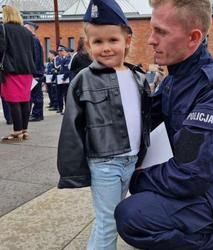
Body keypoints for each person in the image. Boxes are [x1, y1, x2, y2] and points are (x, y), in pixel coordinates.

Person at [115, 1, 213, 250]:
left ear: (193, 37)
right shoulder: (177, 79)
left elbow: (190, 175)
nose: (151, 40)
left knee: (134, 217)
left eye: (161, 32)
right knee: (145, 199)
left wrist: (135, 176)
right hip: (206, 175)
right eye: (153, 30)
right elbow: (142, 122)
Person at [56, 0, 151, 250]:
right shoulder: (83, 80)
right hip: (104, 165)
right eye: (98, 42)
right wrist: (73, 172)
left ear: (127, 40)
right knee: (107, 222)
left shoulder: (138, 77)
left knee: (115, 218)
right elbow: (71, 128)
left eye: (113, 40)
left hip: (133, 161)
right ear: (88, 45)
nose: (106, 48)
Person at [0, 5, 36, 142]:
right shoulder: (26, 32)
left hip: (11, 69)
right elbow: (33, 53)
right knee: (24, 100)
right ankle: (24, 130)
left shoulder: (3, 28)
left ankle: (17, 131)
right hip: (27, 70)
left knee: (13, 100)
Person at [24, 21, 45, 122]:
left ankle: (37, 115)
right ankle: (36, 114)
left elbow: (35, 58)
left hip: (35, 72)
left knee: (36, 95)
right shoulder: (32, 40)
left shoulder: (33, 40)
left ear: (30, 29)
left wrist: (33, 72)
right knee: (34, 94)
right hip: (35, 71)